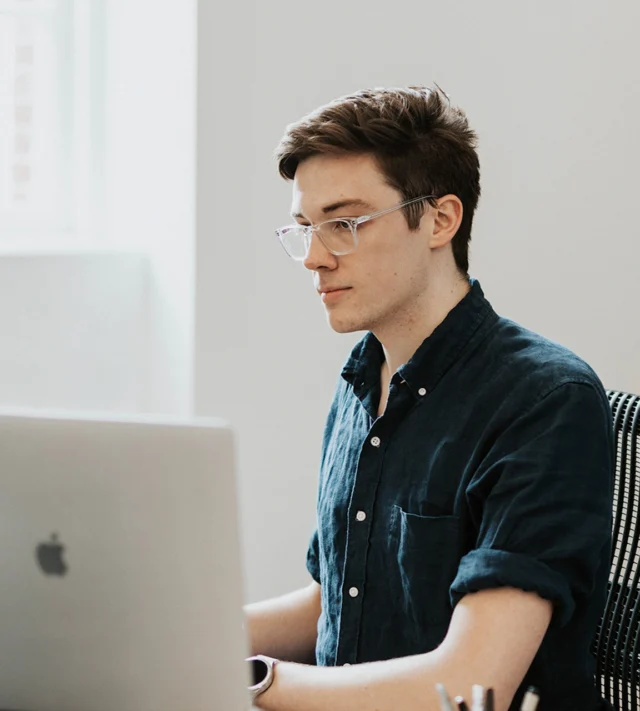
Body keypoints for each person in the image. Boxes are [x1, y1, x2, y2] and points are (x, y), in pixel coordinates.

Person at [243, 85, 614, 711]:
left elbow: (472, 686)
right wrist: (173, 639)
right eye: (305, 228)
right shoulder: (364, 379)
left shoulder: (546, 401)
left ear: (441, 219)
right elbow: (330, 601)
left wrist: (256, 680)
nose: (313, 257)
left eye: (345, 224)